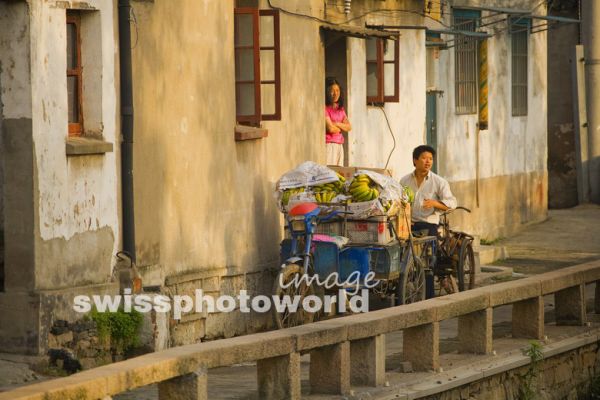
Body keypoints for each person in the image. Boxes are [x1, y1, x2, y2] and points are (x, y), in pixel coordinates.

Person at [399, 145, 457, 237]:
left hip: (429, 224)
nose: (428, 162)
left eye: (430, 159)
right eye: (424, 158)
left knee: (430, 249)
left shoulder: (439, 182)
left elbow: (452, 203)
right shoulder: (404, 181)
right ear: (415, 160)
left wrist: (435, 203)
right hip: (409, 224)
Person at [325, 77, 351, 166]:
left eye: (337, 90)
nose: (335, 93)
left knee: (339, 174)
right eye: (332, 90)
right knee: (329, 174)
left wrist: (336, 124)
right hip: (329, 145)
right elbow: (330, 129)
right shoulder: (324, 108)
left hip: (339, 146)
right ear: (327, 92)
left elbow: (349, 127)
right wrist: (341, 127)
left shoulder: (340, 108)